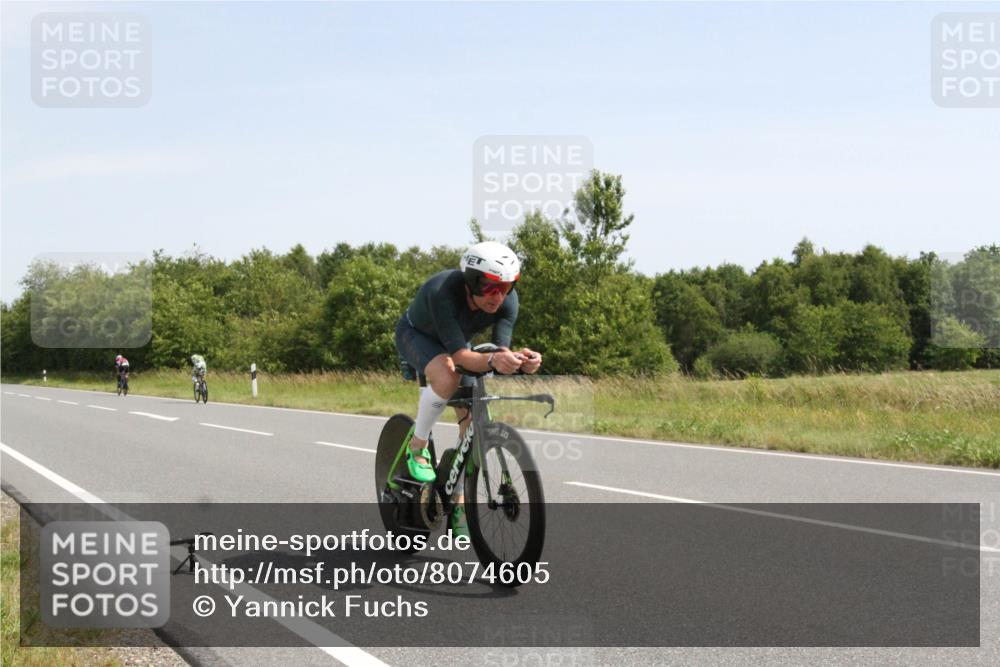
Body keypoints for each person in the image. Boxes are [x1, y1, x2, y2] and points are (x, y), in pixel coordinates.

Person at [394, 241, 542, 535]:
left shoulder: (508, 302)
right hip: (417, 336)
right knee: (448, 377)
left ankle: (459, 498)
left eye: (506, 287)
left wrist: (519, 360)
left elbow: (500, 349)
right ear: (471, 281)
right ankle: (418, 446)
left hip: (457, 343)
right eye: (489, 287)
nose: (498, 296)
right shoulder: (443, 292)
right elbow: (460, 358)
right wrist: (493, 358)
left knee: (474, 419)